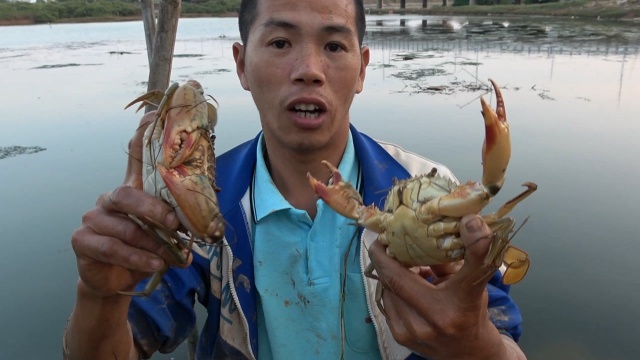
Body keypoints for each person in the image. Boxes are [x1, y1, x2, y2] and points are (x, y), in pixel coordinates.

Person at [64, 0, 527, 359]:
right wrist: (100, 295)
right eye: (281, 43)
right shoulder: (195, 202)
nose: (309, 70)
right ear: (241, 65)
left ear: (363, 67)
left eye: (333, 46)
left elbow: (507, 344)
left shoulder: (428, 185)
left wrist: (477, 346)